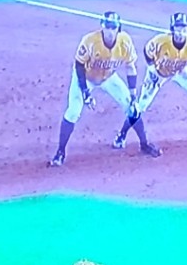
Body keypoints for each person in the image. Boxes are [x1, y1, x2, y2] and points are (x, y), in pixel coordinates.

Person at [51, 12, 162, 168]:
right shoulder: (90, 41)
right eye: (107, 27)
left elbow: (130, 67)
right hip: (86, 77)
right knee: (73, 111)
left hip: (109, 77)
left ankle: (144, 144)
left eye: (113, 28)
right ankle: (60, 152)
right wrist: (85, 92)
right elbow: (79, 65)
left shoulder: (125, 42)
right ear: (102, 27)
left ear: (118, 28)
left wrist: (132, 94)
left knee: (133, 108)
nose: (110, 31)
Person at [120, 12, 187, 144]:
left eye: (183, 28)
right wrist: (151, 67)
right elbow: (147, 51)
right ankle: (121, 135)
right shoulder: (161, 41)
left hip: (180, 71)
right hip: (158, 73)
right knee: (141, 105)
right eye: (178, 28)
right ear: (172, 29)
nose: (181, 32)